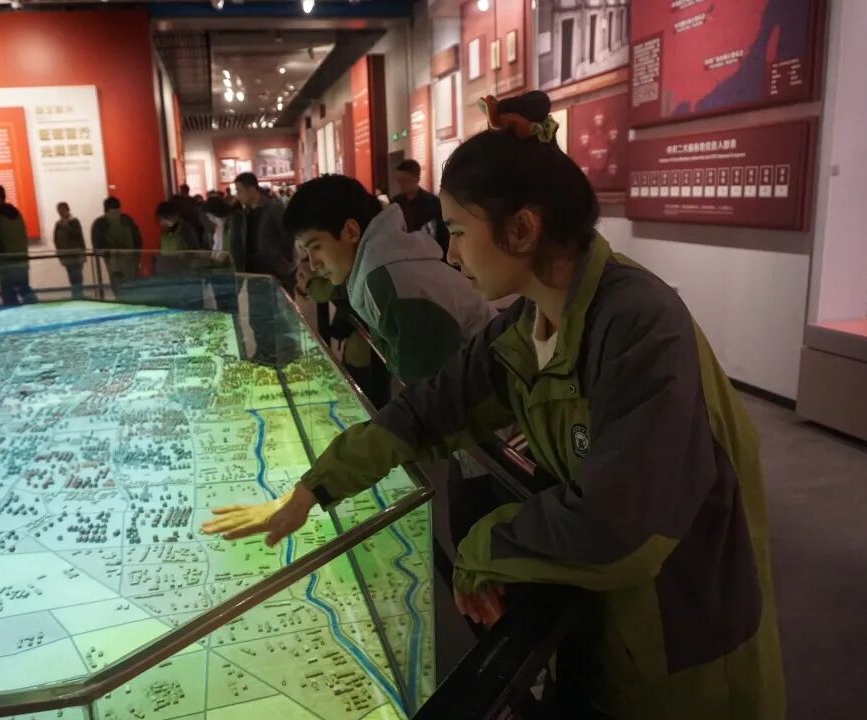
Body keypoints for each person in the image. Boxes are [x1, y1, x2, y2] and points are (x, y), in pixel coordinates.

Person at [202, 91, 785, 719]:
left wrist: (481, 548)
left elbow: (622, 528)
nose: (450, 253)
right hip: (603, 630)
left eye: (457, 231)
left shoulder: (641, 324)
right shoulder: (526, 326)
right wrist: (312, 490)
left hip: (686, 649)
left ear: (522, 230)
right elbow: (430, 407)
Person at [285, 174, 493, 382]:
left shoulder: (390, 283)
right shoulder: (384, 266)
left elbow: (428, 389)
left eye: (316, 247)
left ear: (350, 231)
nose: (313, 263)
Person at [230, 172, 298, 365]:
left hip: (274, 273)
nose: (237, 195)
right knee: (257, 317)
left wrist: (284, 266)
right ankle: (263, 353)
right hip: (253, 274)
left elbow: (287, 238)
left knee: (278, 317)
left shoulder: (274, 208)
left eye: (239, 190)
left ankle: (285, 355)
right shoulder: (245, 212)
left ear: (252, 189)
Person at [0, 184, 36, 306]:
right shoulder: (17, 214)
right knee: (25, 291)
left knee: (9, 298)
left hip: (5, 263)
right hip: (21, 260)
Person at [392, 158, 449, 258]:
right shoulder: (395, 202)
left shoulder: (433, 202)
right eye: (399, 181)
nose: (401, 185)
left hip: (426, 254)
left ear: (417, 179)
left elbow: (441, 234)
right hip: (403, 255)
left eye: (405, 181)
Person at [91, 197, 142, 296]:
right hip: (116, 260)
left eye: (117, 212)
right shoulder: (102, 223)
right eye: (112, 213)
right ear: (106, 212)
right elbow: (98, 244)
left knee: (128, 285)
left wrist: (136, 255)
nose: (115, 215)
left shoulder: (125, 220)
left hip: (128, 260)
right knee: (121, 284)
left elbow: (137, 239)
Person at [53, 202, 86, 300]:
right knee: (72, 276)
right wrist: (60, 254)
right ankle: (76, 295)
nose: (61, 213)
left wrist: (66, 227)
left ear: (67, 209)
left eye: (63, 210)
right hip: (66, 255)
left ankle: (78, 295)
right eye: (59, 211)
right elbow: (56, 240)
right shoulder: (58, 224)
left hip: (75, 254)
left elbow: (78, 235)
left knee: (77, 276)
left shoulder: (74, 222)